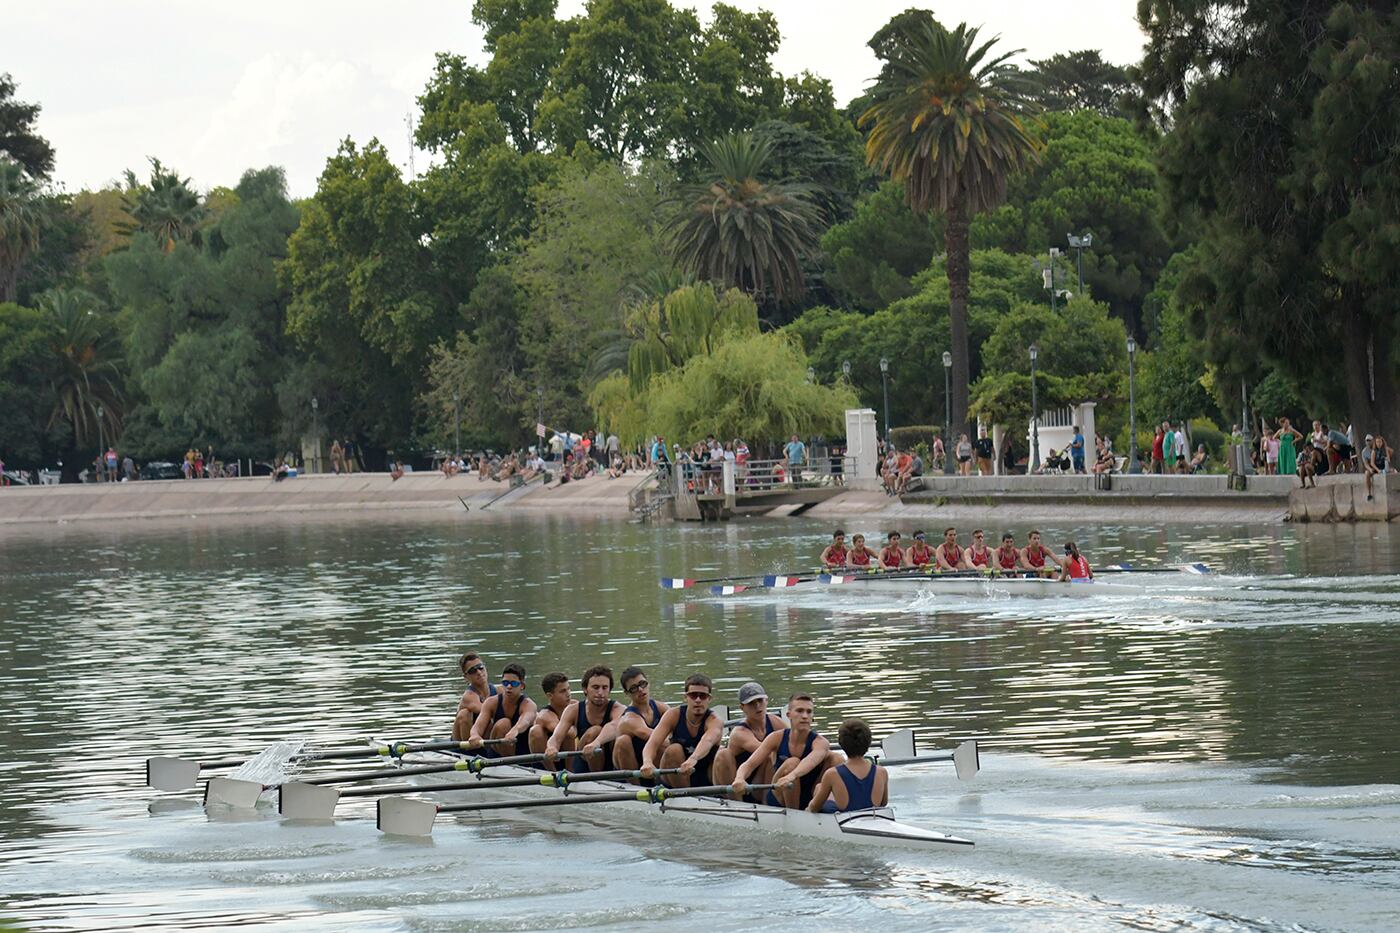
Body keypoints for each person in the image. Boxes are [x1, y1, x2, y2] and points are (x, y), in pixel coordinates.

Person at [731, 693, 834, 809]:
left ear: (813, 717)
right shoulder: (776, 738)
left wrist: (792, 776)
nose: (805, 716)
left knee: (836, 759)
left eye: (809, 712)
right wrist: (739, 778)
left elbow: (812, 759)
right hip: (780, 796)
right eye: (799, 711)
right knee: (792, 763)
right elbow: (749, 764)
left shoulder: (821, 742)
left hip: (808, 794)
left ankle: (821, 807)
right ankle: (793, 815)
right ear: (789, 715)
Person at [640, 673, 723, 789]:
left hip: (704, 772)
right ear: (685, 697)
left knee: (724, 754)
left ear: (709, 698)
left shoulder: (715, 721)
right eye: (693, 695)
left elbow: (708, 740)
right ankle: (683, 795)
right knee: (674, 750)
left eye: (703, 696)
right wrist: (647, 761)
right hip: (676, 773)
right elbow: (653, 743)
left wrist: (693, 759)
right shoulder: (673, 715)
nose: (698, 700)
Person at [712, 681, 785, 797]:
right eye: (751, 703)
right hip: (738, 784)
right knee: (723, 754)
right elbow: (765, 752)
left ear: (766, 701)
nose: (757, 706)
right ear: (742, 707)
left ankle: (769, 802)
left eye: (760, 701)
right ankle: (736, 803)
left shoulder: (775, 722)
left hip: (759, 782)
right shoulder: (740, 733)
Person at [545, 664, 621, 773]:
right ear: (585, 689)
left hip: (611, 765)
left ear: (609, 690)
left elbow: (614, 726)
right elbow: (556, 737)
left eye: (605, 688)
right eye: (595, 687)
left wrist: (596, 743)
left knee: (602, 732)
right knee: (593, 731)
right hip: (583, 765)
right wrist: (551, 747)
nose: (600, 693)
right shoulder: (573, 710)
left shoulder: (618, 708)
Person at [808, 719, 889, 814]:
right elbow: (883, 803)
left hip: (843, 819)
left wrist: (808, 808)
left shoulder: (832, 774)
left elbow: (814, 808)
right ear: (868, 743)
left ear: (841, 744)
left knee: (819, 788)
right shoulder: (881, 772)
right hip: (872, 816)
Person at [467, 662, 537, 758]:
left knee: (506, 723)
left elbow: (525, 720)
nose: (509, 687)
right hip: (497, 754)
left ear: (522, 686)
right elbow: (478, 725)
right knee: (503, 723)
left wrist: (514, 731)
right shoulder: (491, 702)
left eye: (514, 683)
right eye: (505, 683)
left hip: (522, 754)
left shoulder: (529, 705)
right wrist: (474, 735)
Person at [613, 666, 671, 775]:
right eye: (634, 688)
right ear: (627, 693)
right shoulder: (629, 719)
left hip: (653, 765)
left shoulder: (661, 707)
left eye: (642, 684)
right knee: (623, 741)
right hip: (633, 770)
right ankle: (634, 786)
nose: (640, 690)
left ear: (648, 683)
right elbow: (653, 736)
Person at [528, 672, 573, 762]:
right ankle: (552, 772)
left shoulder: (574, 705)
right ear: (550, 696)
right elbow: (568, 732)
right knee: (536, 730)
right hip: (550, 759)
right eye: (563, 691)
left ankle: (572, 771)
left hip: (569, 755)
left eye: (568, 689)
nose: (568, 694)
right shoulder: (545, 715)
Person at [453, 651, 496, 741]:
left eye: (480, 667)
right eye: (473, 671)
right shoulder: (469, 696)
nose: (479, 672)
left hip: (482, 740)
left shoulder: (498, 690)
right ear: (466, 677)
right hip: (463, 745)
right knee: (464, 713)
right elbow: (486, 712)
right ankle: (470, 750)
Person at [1363, 434, 1392, 501]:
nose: (1379, 444)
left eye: (1380, 442)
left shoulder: (1385, 449)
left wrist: (1387, 458)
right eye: (1377, 442)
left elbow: (1389, 459)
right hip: (1376, 468)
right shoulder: (1374, 451)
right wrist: (1377, 470)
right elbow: (1371, 463)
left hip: (1384, 467)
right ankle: (1369, 494)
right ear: (1375, 443)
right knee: (1367, 473)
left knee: (1394, 471)